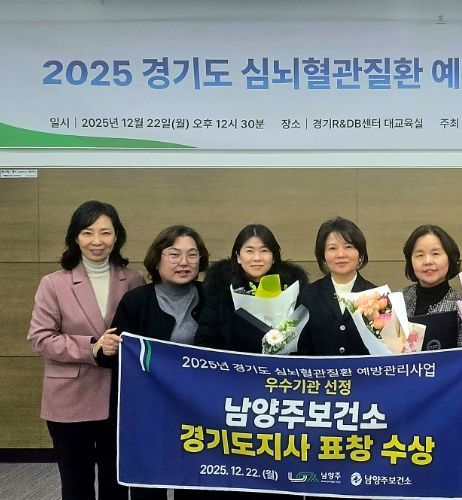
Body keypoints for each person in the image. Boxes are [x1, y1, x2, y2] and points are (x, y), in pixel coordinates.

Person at [27, 200, 144, 500]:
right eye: (87, 232)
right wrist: (92, 348)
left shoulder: (133, 279)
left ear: (117, 236)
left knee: (116, 485)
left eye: (105, 232)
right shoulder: (53, 283)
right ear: (75, 237)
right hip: (69, 399)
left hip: (119, 399)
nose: (96, 241)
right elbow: (40, 338)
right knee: (76, 484)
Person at [102, 225, 209, 500]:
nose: (184, 262)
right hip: (149, 415)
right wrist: (107, 350)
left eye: (192, 255)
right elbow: (116, 358)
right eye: (174, 254)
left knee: (196, 484)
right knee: (148, 487)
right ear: (157, 258)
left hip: (198, 414)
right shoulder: (136, 301)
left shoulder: (213, 298)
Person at [195, 223, 308, 352]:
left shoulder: (292, 288)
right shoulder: (221, 288)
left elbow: (305, 340)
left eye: (264, 251)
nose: (257, 258)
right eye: (249, 251)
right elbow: (206, 339)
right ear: (238, 257)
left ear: (274, 257)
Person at [297, 216, 376, 357]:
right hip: (320, 371)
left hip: (364, 371)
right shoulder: (309, 294)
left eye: (348, 247)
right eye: (332, 248)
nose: (341, 254)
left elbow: (388, 347)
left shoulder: (376, 295)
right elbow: (301, 346)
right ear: (323, 256)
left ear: (360, 254)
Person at [400, 224, 462, 347]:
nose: (428, 261)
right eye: (420, 255)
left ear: (449, 258)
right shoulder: (398, 301)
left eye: (435, 253)